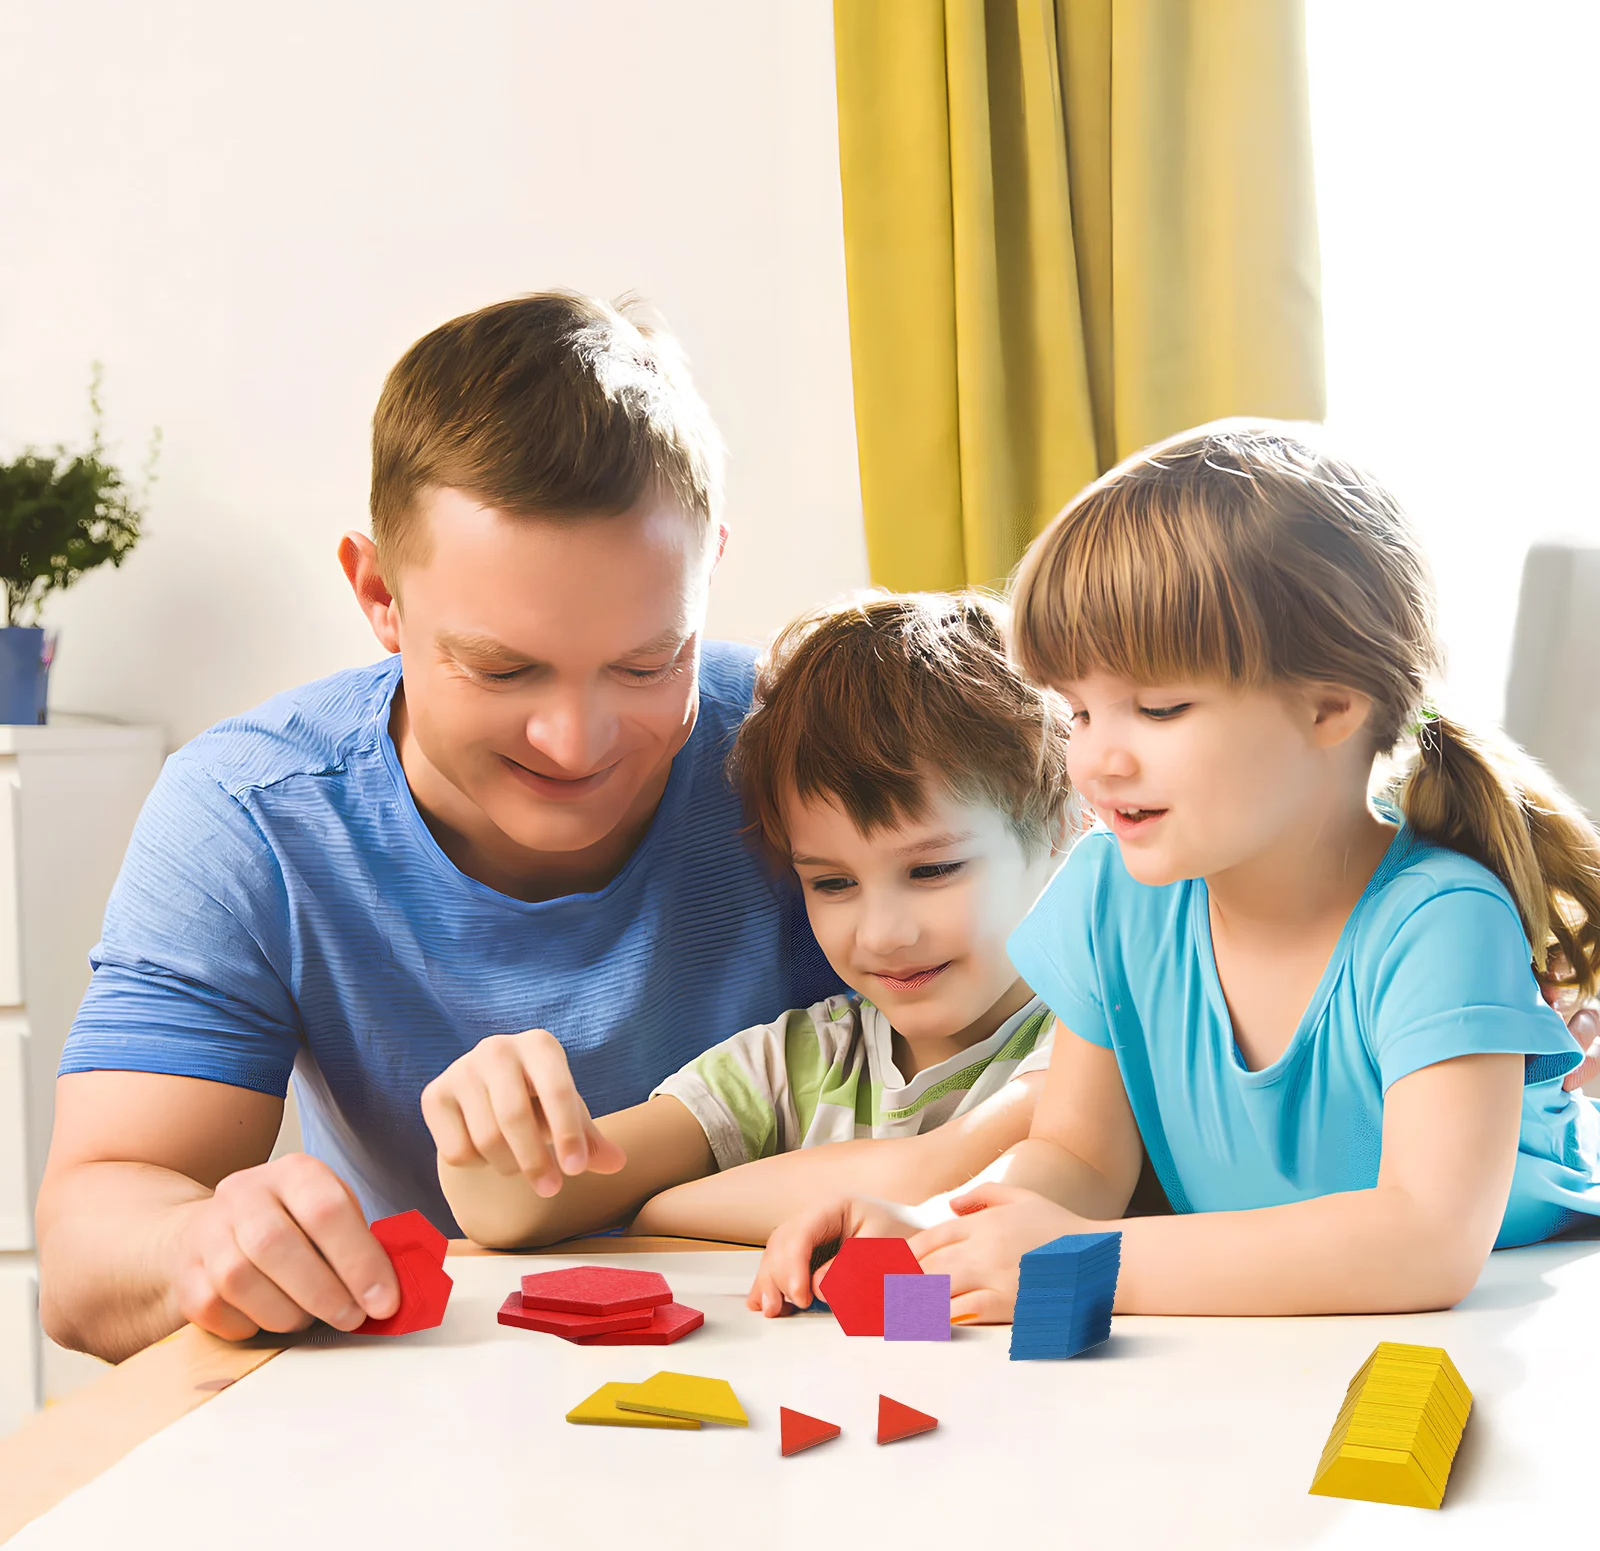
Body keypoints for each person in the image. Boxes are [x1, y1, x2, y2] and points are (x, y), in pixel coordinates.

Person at [35, 291, 836, 1362]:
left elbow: (1017, 1095)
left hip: (804, 1355)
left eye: (649, 663)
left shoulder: (820, 748)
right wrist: (197, 1243)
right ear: (379, 594)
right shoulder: (250, 816)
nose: (576, 741)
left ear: (709, 571)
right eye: (502, 669)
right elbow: (86, 1256)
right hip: (413, 1383)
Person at [753, 422, 1600, 1322]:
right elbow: (1078, 1160)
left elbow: (1424, 1244)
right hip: (1254, 1342)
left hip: (1509, 1331)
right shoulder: (1113, 894)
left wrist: (1082, 1262)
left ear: (1330, 708)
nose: (1097, 761)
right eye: (1079, 713)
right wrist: (935, 1232)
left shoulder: (1442, 920)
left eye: (1157, 709)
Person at [431, 592, 1071, 1249]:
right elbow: (515, 1209)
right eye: (833, 883)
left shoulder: (1088, 1043)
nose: (883, 934)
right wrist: (488, 1116)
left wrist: (667, 1212)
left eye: (932, 870)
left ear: (1062, 827)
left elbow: (931, 1183)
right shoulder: (799, 1063)